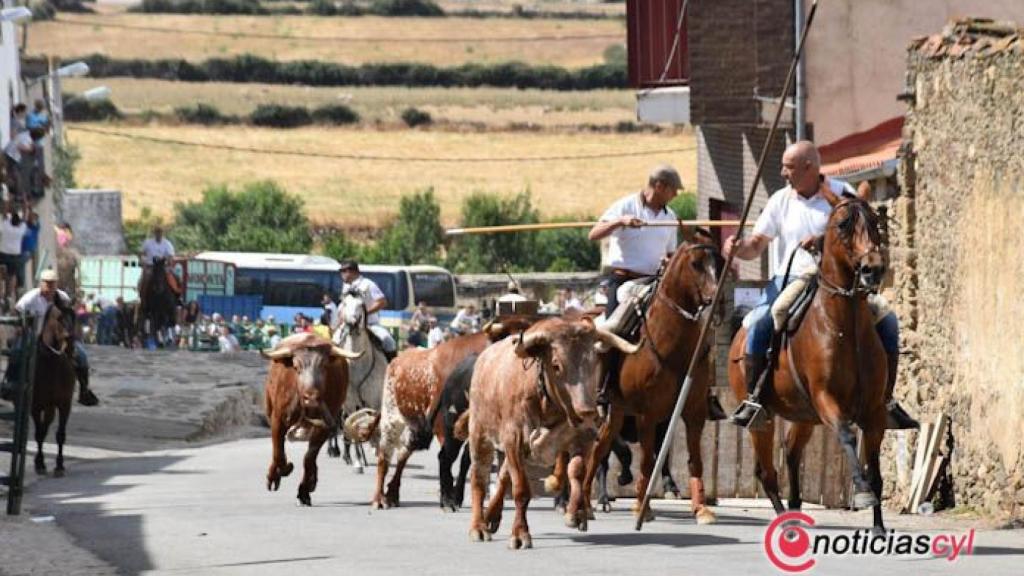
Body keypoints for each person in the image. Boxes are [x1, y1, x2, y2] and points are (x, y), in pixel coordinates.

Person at [724, 140, 917, 430]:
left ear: (809, 167)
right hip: (791, 278)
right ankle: (755, 400)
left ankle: (886, 401)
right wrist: (738, 248)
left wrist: (822, 241)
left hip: (839, 282)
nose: (783, 172)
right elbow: (756, 246)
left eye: (789, 167)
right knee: (761, 322)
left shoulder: (842, 195)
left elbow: (861, 236)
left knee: (888, 322)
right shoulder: (780, 200)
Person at [590, 164, 727, 421]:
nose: (675, 195)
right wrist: (620, 222)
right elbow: (593, 234)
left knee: (693, 329)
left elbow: (668, 252)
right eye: (673, 190)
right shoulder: (625, 206)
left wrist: (667, 261)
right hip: (624, 281)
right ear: (659, 186)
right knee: (611, 328)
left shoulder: (670, 216)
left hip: (655, 282)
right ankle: (602, 388)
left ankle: (704, 394)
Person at [10, 269, 99, 405]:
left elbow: (69, 317)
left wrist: (69, 332)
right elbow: (17, 311)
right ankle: (11, 384)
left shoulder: (62, 298)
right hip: (34, 334)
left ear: (56, 284)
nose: (49, 287)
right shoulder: (31, 298)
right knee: (17, 351)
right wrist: (21, 327)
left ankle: (84, 390)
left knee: (82, 356)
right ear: (41, 283)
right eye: (46, 283)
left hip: (57, 336)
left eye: (52, 283)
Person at [339, 260, 396, 360]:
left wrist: (364, 313)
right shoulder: (346, 287)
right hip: (349, 325)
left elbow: (382, 302)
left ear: (352, 272)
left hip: (370, 324)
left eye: (343, 271)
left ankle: (392, 369)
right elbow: (344, 304)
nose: (341, 274)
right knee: (333, 342)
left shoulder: (368, 284)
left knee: (389, 341)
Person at [139, 225, 176, 297]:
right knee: (145, 279)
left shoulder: (167, 244)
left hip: (163, 266)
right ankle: (142, 296)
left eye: (160, 232)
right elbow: (141, 253)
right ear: (154, 233)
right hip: (151, 266)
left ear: (163, 233)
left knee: (173, 278)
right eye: (157, 232)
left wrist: (169, 262)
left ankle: (176, 296)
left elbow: (171, 256)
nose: (159, 234)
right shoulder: (148, 243)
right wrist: (143, 262)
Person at [0, 203, 28, 300]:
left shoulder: (6, 226)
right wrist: (25, 204)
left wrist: (8, 202)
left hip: (3, 255)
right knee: (11, 276)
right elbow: (25, 217)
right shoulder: (21, 229)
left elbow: (4, 214)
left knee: (3, 274)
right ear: (18, 223)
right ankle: (9, 296)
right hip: (15, 256)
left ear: (10, 220)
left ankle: (3, 294)